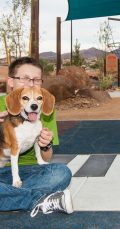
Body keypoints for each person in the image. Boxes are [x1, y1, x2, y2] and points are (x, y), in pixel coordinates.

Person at [0, 57, 73, 217]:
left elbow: (46, 158)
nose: (31, 84)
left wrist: (46, 145)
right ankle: (41, 199)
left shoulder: (42, 109)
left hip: (30, 172)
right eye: (25, 79)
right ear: (11, 81)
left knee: (62, 172)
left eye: (36, 80)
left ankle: (12, 196)